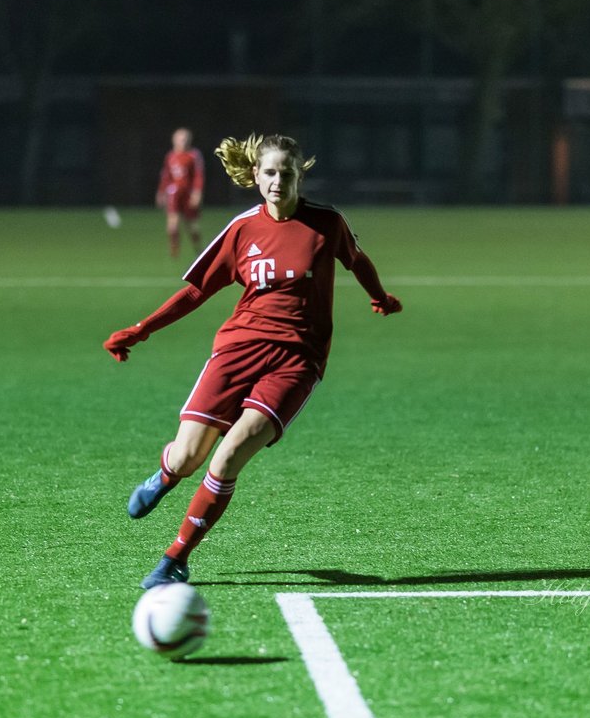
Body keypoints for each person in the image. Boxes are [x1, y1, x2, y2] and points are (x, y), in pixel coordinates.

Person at [105, 133, 403, 589]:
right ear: (255, 177)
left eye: (287, 172)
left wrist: (379, 297)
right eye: (269, 173)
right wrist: (142, 329)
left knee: (225, 461)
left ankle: (175, 559)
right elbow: (197, 290)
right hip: (238, 350)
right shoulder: (243, 229)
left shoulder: (327, 223)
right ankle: (167, 473)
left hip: (297, 361)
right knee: (189, 456)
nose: (277, 181)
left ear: (300, 175)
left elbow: (357, 260)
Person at [156, 127, 205, 258]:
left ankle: (199, 249)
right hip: (174, 193)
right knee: (172, 225)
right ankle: (174, 248)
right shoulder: (170, 156)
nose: (183, 141)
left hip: (188, 193)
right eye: (180, 138)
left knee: (192, 226)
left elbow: (198, 175)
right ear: (174, 140)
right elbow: (165, 176)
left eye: (185, 138)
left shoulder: (194, 155)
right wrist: (161, 192)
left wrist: (197, 192)